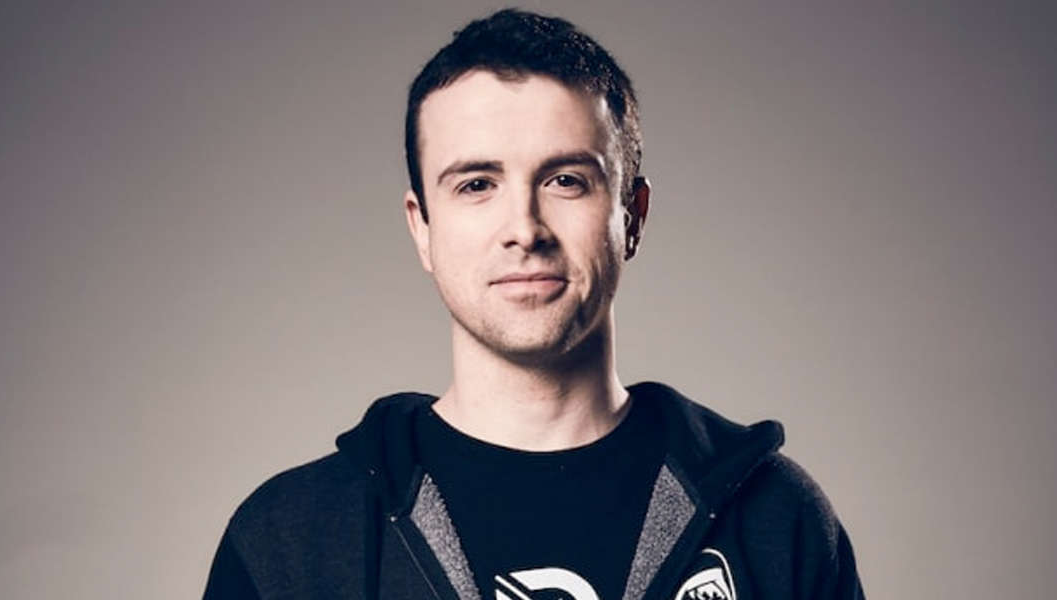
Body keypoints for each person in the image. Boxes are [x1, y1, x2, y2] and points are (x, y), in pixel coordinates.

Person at [203, 9, 864, 600]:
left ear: (632, 215)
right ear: (421, 227)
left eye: (565, 180)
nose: (524, 228)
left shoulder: (776, 520)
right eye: (476, 184)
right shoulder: (291, 540)